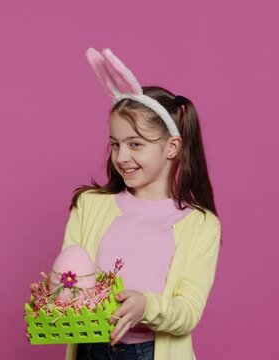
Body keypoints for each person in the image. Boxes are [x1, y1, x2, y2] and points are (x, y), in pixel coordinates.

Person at [61, 48, 221, 360]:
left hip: (148, 353)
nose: (121, 157)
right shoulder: (90, 206)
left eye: (136, 144)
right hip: (88, 350)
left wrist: (147, 306)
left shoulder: (200, 225)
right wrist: (56, 298)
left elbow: (188, 310)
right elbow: (69, 281)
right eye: (116, 144)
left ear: (172, 147)